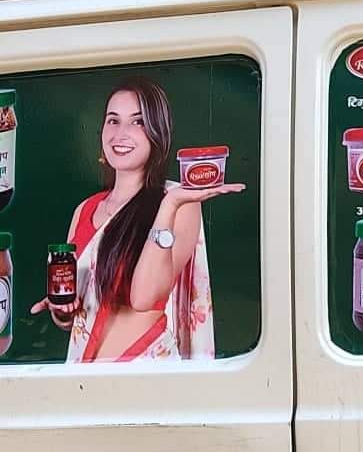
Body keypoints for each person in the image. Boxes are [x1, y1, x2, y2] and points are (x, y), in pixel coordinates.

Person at [30, 78, 241, 361]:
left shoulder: (177, 203)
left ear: (157, 133)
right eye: (113, 120)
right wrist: (62, 310)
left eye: (137, 122)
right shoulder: (84, 210)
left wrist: (169, 206)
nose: (121, 133)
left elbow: (144, 298)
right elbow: (75, 313)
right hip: (84, 374)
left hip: (146, 369)